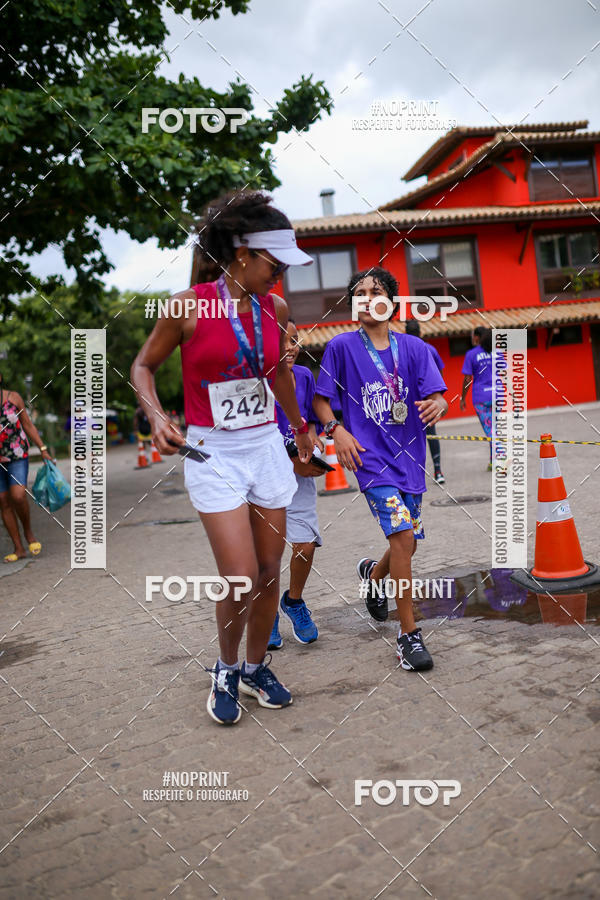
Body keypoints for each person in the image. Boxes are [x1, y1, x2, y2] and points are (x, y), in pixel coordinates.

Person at [131, 190, 314, 725]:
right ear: (242, 254)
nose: (280, 275)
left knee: (268, 570)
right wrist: (158, 416)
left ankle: (256, 668)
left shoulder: (273, 307)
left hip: (264, 447)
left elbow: (278, 373)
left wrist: (300, 430)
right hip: (214, 454)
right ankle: (226, 667)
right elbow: (142, 367)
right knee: (239, 575)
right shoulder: (186, 306)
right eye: (273, 263)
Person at [313, 267, 448, 671]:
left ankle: (373, 576)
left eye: (375, 291)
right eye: (359, 293)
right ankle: (408, 636)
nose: (367, 297)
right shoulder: (340, 348)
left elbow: (438, 395)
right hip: (369, 460)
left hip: (410, 459)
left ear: (391, 300)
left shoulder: (415, 349)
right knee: (403, 536)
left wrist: (439, 404)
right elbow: (321, 402)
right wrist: (336, 431)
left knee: (407, 544)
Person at [269, 316, 323, 650]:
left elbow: (312, 422)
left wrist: (312, 445)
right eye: (284, 341)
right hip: (261, 479)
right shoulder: (256, 380)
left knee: (304, 545)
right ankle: (266, 615)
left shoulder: (304, 376)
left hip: (298, 476)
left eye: (295, 339)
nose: (292, 347)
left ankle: (293, 601)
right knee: (267, 554)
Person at [0, 374, 52, 562]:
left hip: (16, 455)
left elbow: (28, 424)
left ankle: (29, 533)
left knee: (18, 495)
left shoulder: (13, 398)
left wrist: (43, 449)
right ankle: (18, 548)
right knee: (3, 500)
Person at [405, 319, 445, 484]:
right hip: (427, 401)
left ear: (406, 333)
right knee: (431, 435)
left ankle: (410, 475)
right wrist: (436, 396)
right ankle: (438, 471)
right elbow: (439, 374)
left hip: (407, 402)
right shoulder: (431, 349)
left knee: (407, 438)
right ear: (420, 332)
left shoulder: (401, 350)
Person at [460, 327, 493, 469]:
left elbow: (468, 379)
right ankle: (494, 461)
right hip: (498, 395)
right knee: (495, 428)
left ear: (478, 338)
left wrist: (463, 398)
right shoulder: (496, 352)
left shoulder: (471, 354)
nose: (472, 339)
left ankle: (502, 460)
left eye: (473, 336)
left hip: (481, 398)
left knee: (490, 430)